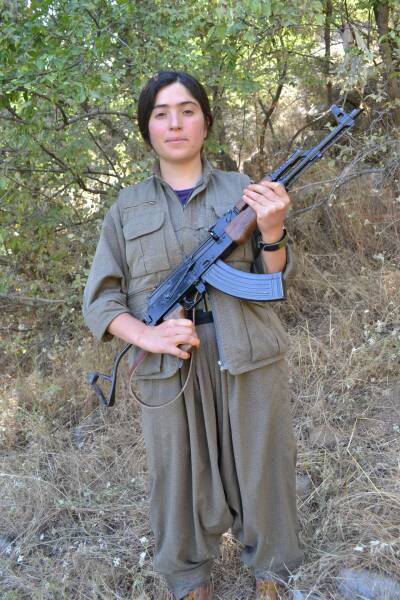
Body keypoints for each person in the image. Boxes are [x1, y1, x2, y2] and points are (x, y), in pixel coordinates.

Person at [83, 71, 304, 600]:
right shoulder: (127, 208)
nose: (175, 123)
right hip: (168, 365)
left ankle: (271, 573)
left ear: (205, 121)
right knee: (176, 481)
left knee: (263, 467)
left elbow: (273, 279)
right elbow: (102, 301)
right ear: (147, 128)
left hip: (247, 352)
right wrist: (148, 337)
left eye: (187, 110)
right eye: (161, 114)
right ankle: (188, 582)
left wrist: (273, 231)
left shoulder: (241, 190)